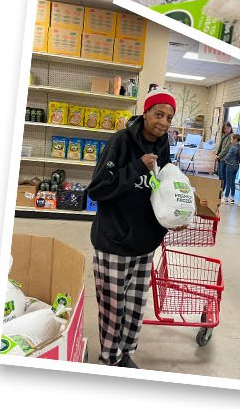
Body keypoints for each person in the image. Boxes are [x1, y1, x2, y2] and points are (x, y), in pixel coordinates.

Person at [84, 92, 176, 367]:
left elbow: (159, 184)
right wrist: (137, 166)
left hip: (145, 242)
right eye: (159, 114)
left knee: (135, 308)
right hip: (114, 241)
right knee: (114, 309)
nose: (163, 122)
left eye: (169, 117)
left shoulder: (163, 144)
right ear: (145, 113)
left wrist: (174, 213)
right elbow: (98, 189)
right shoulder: (120, 142)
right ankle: (110, 360)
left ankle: (124, 354)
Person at [217, 125, 240, 202]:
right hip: (236, 166)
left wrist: (222, 159)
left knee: (228, 182)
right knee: (233, 182)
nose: (231, 140)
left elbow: (227, 157)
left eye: (231, 139)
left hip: (230, 166)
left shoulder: (233, 148)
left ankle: (226, 197)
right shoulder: (239, 147)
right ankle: (232, 198)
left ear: (235, 139)